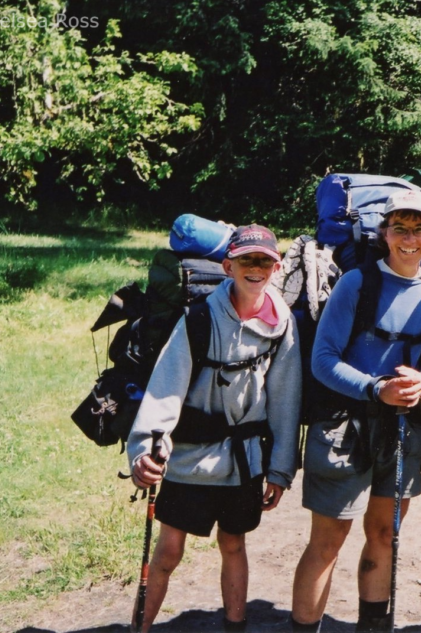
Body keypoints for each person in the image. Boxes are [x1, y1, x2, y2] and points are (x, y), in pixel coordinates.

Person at [128, 224, 302, 632]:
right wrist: (143, 450)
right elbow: (165, 387)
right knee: (169, 550)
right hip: (191, 455)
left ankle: (235, 626)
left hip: (245, 461)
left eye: (264, 261)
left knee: (234, 542)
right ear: (228, 266)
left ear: (276, 268)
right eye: (246, 260)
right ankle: (140, 628)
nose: (256, 268)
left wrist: (279, 467)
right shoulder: (199, 318)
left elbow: (286, 398)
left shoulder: (282, 322)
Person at [290, 190, 421, 633]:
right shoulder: (357, 283)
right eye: (400, 228)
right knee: (328, 542)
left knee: (384, 535)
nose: (409, 239)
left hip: (402, 427)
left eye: (419, 229)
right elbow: (323, 359)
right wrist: (375, 388)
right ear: (384, 232)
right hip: (344, 425)